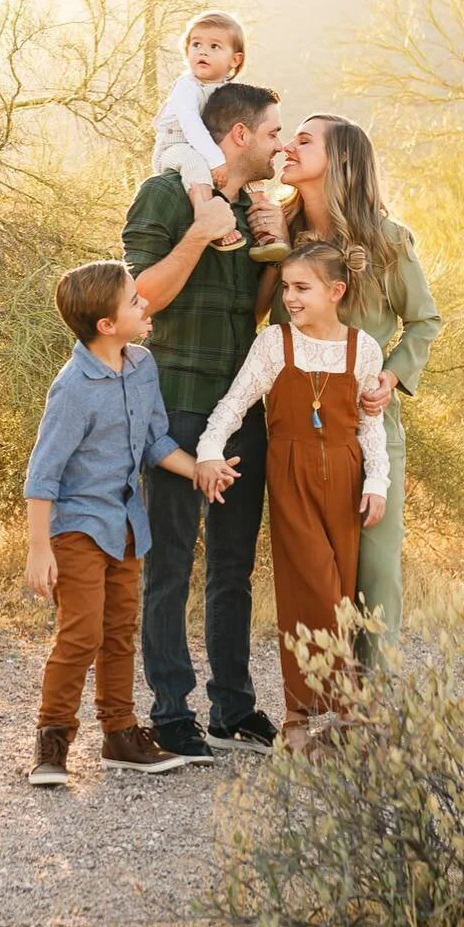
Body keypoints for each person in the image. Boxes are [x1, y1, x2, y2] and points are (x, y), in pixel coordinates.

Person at [124, 81, 289, 761]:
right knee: (168, 562)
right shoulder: (165, 194)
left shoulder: (259, 207)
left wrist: (275, 252)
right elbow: (141, 296)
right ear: (239, 135)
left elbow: (254, 310)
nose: (281, 143)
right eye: (274, 131)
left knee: (232, 563)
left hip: (238, 408)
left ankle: (233, 708)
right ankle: (169, 711)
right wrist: (199, 232)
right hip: (175, 404)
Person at [24, 260, 222, 787]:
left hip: (128, 525)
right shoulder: (73, 387)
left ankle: (119, 733)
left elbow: (157, 443)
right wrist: (39, 549)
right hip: (78, 527)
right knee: (81, 633)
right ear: (107, 326)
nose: (146, 305)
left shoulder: (142, 366)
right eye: (135, 301)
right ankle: (53, 737)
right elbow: (43, 472)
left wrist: (200, 468)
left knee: (118, 635)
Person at [195, 241, 390, 748]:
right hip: (292, 479)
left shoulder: (363, 348)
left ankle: (322, 719)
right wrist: (209, 449)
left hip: (347, 481)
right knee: (312, 587)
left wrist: (376, 482)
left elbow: (372, 425)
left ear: (336, 291)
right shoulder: (274, 344)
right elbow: (234, 404)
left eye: (302, 288)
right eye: (285, 289)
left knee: (341, 592)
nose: (290, 299)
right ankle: (314, 711)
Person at [274, 115, 443, 647]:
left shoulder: (388, 242)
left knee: (374, 575)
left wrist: (392, 376)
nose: (287, 146)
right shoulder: (280, 231)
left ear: (342, 161)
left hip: (370, 428)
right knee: (316, 576)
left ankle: (377, 716)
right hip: (296, 434)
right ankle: (320, 711)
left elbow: (424, 321)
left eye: (304, 140)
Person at [152, 9, 289, 263]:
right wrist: (216, 159)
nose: (202, 52)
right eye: (196, 45)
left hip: (209, 149)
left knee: (252, 176)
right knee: (194, 165)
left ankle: (264, 233)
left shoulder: (227, 91)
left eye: (215, 46)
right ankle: (209, 220)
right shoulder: (186, 86)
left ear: (235, 60)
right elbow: (191, 124)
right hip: (176, 146)